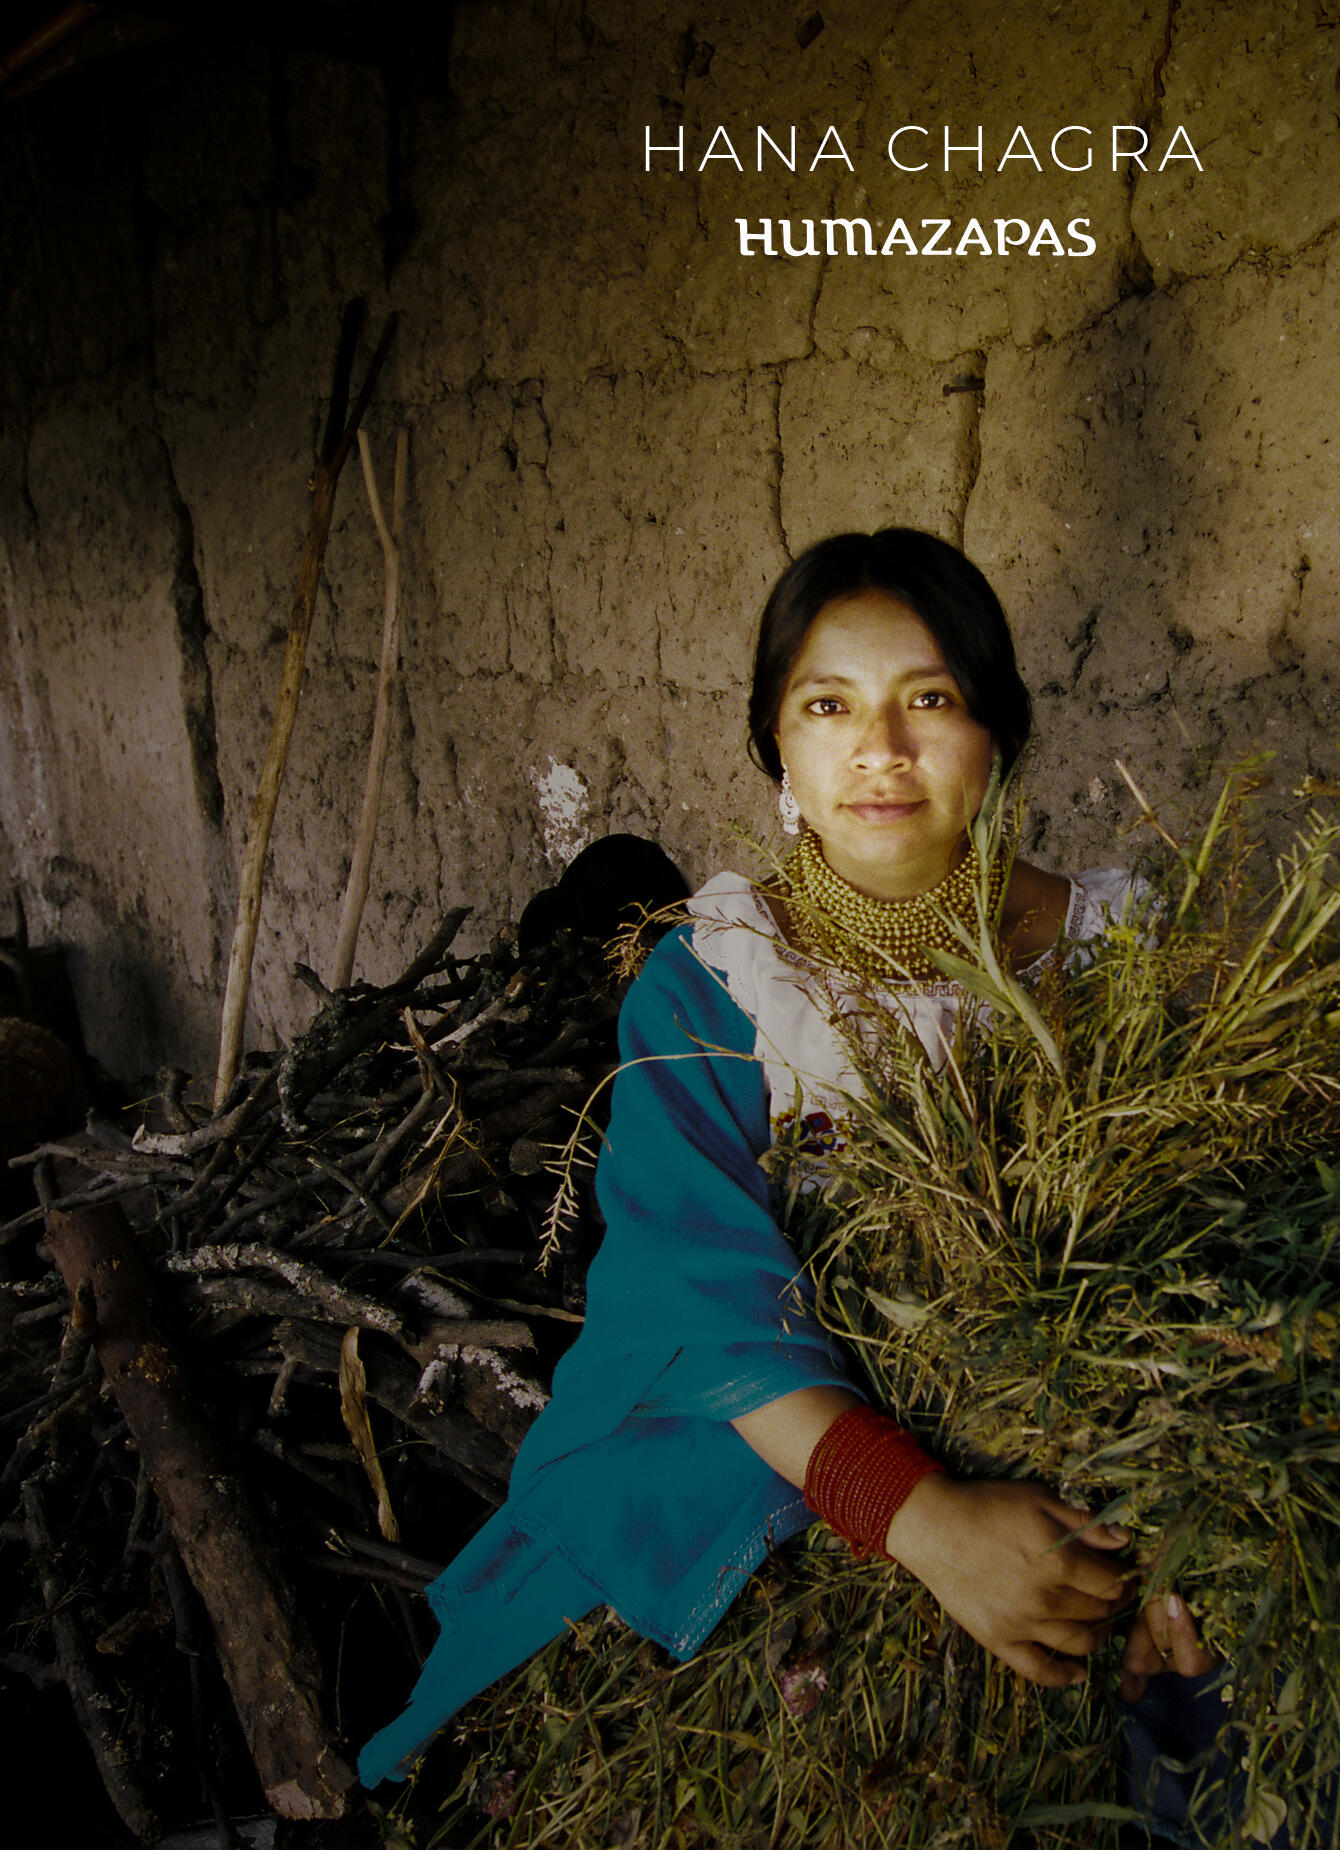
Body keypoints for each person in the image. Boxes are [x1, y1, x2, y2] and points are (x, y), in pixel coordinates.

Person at [357, 527, 1215, 1812]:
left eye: (930, 698)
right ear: (774, 739)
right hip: (780, 1462)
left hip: (1090, 1475)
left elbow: (1211, 1241)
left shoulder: (1118, 955)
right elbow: (692, 1293)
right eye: (828, 705)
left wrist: (1186, 1535)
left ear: (997, 729)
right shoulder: (719, 980)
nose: (880, 748)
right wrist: (922, 1519)